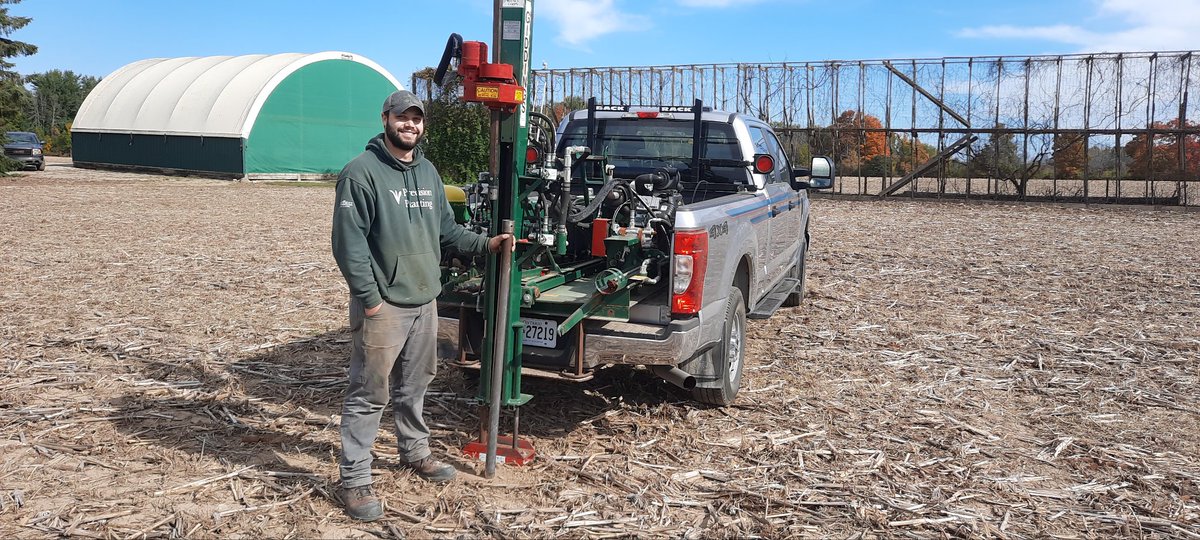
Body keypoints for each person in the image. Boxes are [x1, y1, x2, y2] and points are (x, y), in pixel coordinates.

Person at [330, 89, 511, 522]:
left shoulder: (428, 172)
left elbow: (447, 230)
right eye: (402, 117)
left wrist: (487, 244)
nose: (410, 125)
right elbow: (348, 244)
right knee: (369, 393)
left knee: (416, 385)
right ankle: (354, 480)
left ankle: (414, 452)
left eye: (416, 119)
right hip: (385, 306)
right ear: (386, 118)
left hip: (424, 300)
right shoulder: (361, 173)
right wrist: (370, 300)